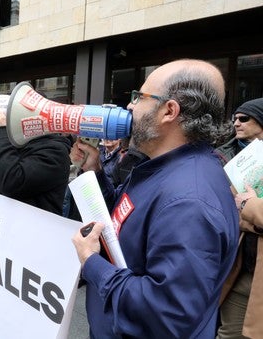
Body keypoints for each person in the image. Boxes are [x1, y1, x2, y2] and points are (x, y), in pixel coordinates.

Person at [70, 59, 239, 338]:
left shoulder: (188, 201)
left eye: (139, 97)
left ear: (169, 111)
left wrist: (92, 263)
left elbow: (164, 314)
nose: (130, 106)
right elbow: (125, 221)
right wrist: (94, 171)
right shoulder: (164, 169)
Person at [216, 97, 263, 339]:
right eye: (234, 118)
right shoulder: (224, 154)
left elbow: (244, 208)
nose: (236, 123)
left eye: (244, 118)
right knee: (229, 333)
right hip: (241, 264)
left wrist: (250, 206)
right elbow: (231, 211)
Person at [0, 105, 72, 216]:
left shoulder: (55, 152)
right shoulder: (23, 145)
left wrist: (2, 131)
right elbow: (5, 180)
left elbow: (12, 181)